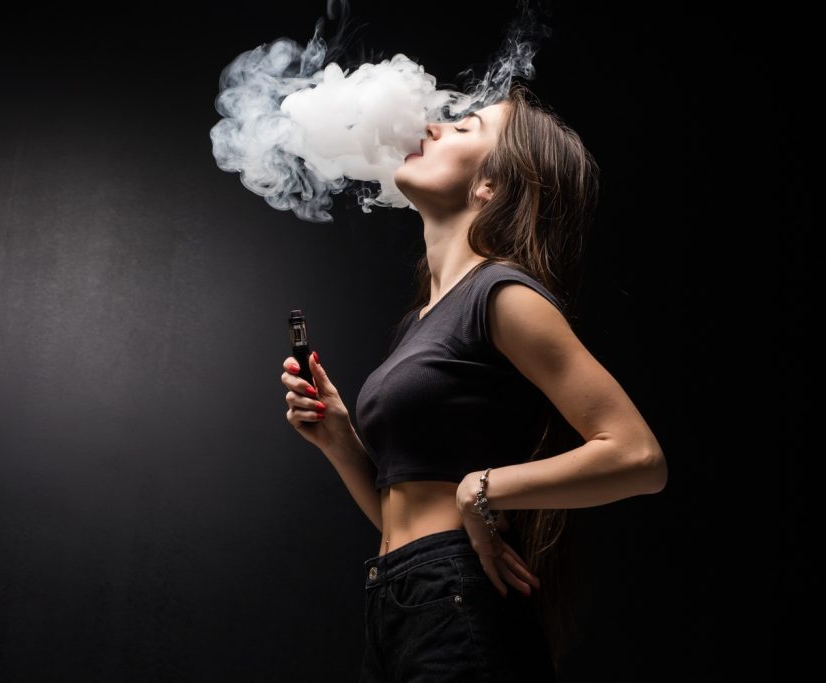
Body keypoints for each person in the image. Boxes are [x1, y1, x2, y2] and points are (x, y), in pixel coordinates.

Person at [279, 82, 667, 682]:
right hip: (398, 597)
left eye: (464, 129)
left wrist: (481, 488)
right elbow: (398, 518)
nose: (432, 128)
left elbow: (639, 457)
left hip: (453, 601)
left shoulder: (502, 294)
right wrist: (338, 438)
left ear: (491, 186)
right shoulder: (420, 320)